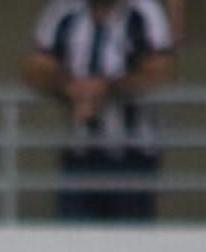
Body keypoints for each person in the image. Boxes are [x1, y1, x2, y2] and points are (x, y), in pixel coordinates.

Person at [26, 0, 178, 222]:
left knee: (130, 244)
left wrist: (107, 89)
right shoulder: (64, 10)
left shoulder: (144, 11)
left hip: (132, 155)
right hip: (80, 155)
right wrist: (70, 86)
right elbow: (36, 67)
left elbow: (162, 71)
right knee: (73, 243)